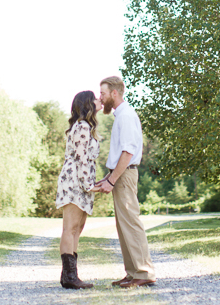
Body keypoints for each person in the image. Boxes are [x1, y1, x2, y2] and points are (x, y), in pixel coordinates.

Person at [92, 75, 157, 288]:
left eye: (102, 93)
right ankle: (132, 272)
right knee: (123, 225)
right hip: (119, 174)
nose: (100, 99)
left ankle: (144, 273)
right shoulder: (120, 115)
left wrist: (112, 181)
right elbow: (120, 152)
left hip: (125, 174)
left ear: (114, 93)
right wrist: (108, 178)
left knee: (131, 222)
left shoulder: (126, 115)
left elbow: (128, 152)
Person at [55, 90, 101, 289]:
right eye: (96, 98)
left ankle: (68, 276)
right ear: (89, 104)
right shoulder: (82, 127)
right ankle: (70, 277)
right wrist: (88, 185)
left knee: (77, 229)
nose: (100, 100)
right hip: (75, 181)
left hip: (81, 180)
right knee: (70, 228)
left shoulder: (86, 127)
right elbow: (82, 158)